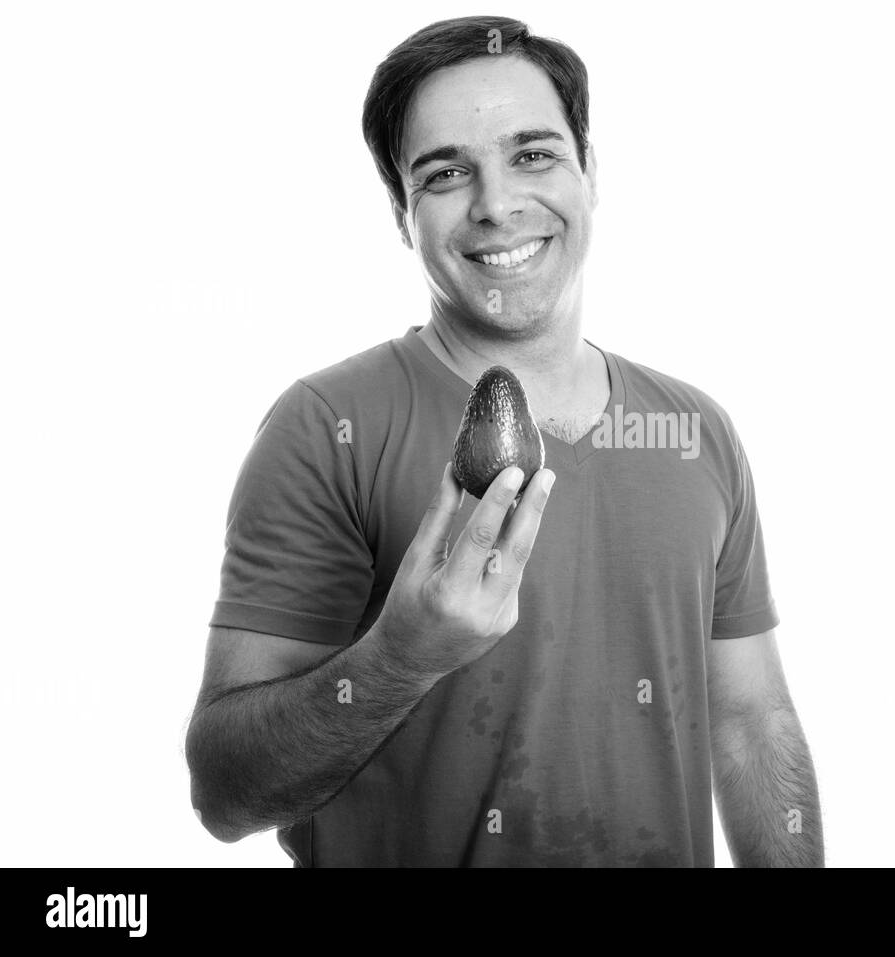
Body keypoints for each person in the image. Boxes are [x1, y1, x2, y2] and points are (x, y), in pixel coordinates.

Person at [185, 15, 823, 867]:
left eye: (533, 154)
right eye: (447, 172)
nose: (496, 205)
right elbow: (224, 794)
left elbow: (751, 721)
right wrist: (400, 659)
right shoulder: (323, 428)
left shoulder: (695, 430)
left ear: (591, 171)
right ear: (402, 214)